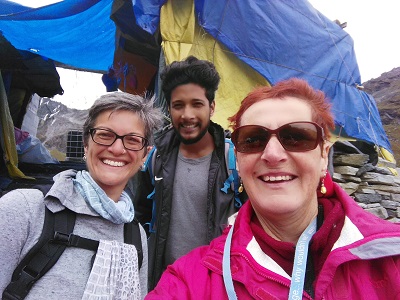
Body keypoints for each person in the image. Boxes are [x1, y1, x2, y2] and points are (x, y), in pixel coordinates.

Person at [146, 78, 400, 299]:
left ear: (324, 156)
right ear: (239, 161)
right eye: (253, 139)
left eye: (296, 136)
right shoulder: (191, 280)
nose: (273, 154)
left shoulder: (392, 256)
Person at [0, 92, 163, 299]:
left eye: (132, 140)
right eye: (105, 135)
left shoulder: (134, 235)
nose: (116, 148)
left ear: (144, 156)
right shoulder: (25, 210)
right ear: (86, 145)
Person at [133, 56, 245, 290]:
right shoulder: (157, 159)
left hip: (217, 284)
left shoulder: (235, 162)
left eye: (197, 104)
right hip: (165, 283)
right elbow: (140, 214)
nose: (187, 115)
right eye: (178, 105)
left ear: (211, 107)